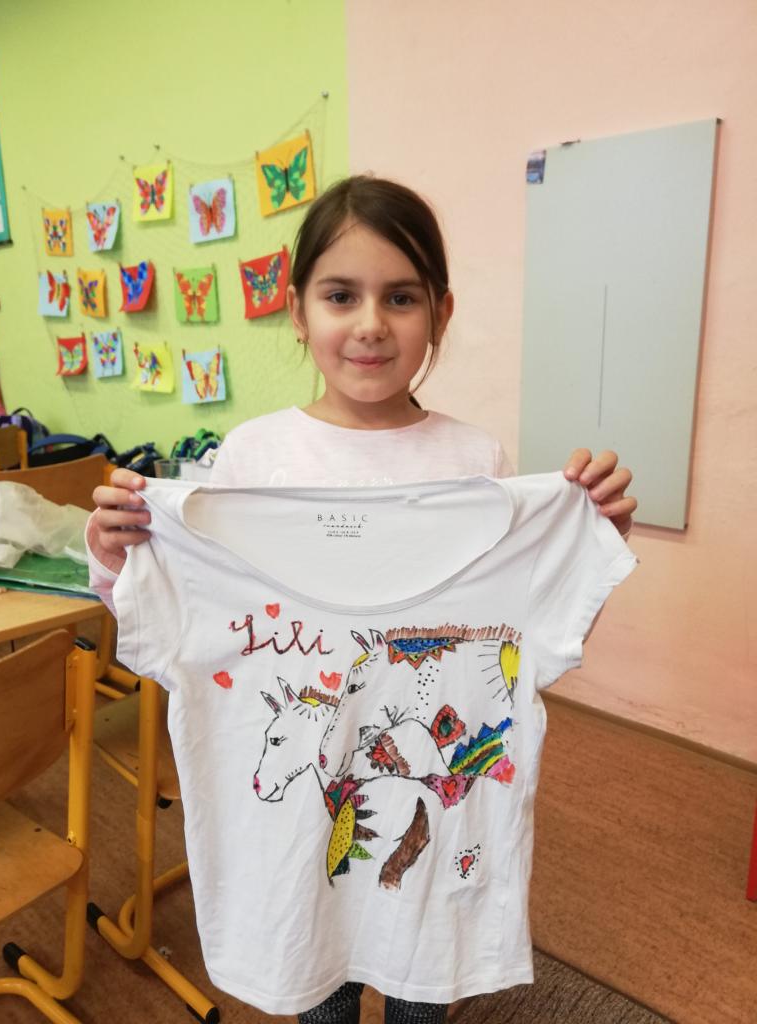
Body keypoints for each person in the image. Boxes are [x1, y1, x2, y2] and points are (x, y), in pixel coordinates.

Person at [88, 175, 636, 1024]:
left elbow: (525, 635)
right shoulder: (251, 458)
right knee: (321, 990)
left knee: (422, 991)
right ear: (298, 311)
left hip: (431, 836)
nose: (372, 323)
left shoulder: (476, 463)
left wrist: (589, 537)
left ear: (440, 313)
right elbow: (170, 619)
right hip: (297, 849)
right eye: (341, 295)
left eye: (401, 297)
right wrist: (117, 553)